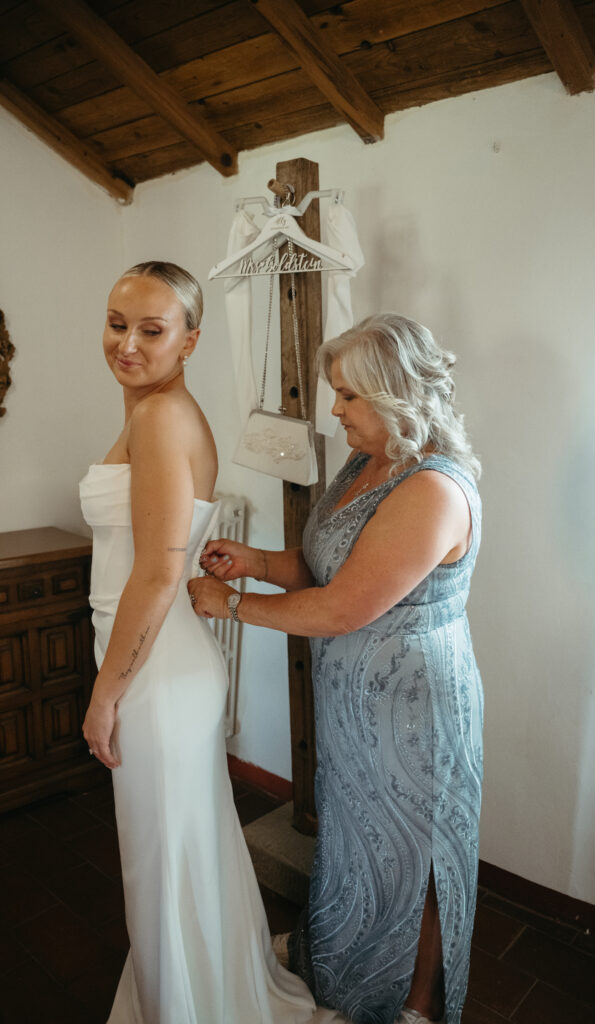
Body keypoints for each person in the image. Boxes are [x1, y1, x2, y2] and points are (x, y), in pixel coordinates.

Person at [190, 313, 484, 1024]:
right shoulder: (365, 463)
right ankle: (342, 964)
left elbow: (340, 608)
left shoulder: (431, 489)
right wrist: (256, 563)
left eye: (349, 396)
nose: (336, 411)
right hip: (355, 704)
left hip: (414, 710)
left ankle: (412, 1005)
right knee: (354, 842)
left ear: (395, 395)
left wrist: (230, 605)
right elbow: (322, 566)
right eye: (336, 393)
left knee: (417, 856)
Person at [79, 262, 346, 1024]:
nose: (127, 343)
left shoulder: (163, 418)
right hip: (155, 661)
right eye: (116, 322)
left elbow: (157, 579)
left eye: (152, 331)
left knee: (164, 862)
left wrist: (105, 696)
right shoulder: (150, 412)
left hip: (155, 671)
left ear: (190, 341)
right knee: (181, 854)